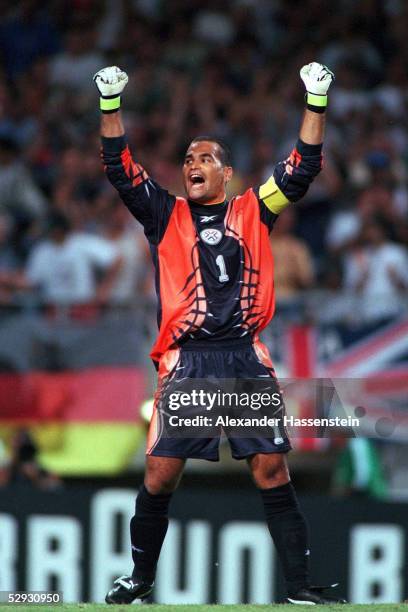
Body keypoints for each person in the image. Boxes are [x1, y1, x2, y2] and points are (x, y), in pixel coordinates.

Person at [94, 63, 345, 605]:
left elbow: (304, 168)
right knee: (160, 475)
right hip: (188, 362)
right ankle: (139, 578)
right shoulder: (163, 213)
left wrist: (317, 100)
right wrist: (110, 106)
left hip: (244, 358)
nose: (193, 164)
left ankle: (299, 586)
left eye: (204, 157)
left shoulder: (255, 207)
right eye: (187, 159)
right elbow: (120, 168)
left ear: (226, 172)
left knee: (272, 469)